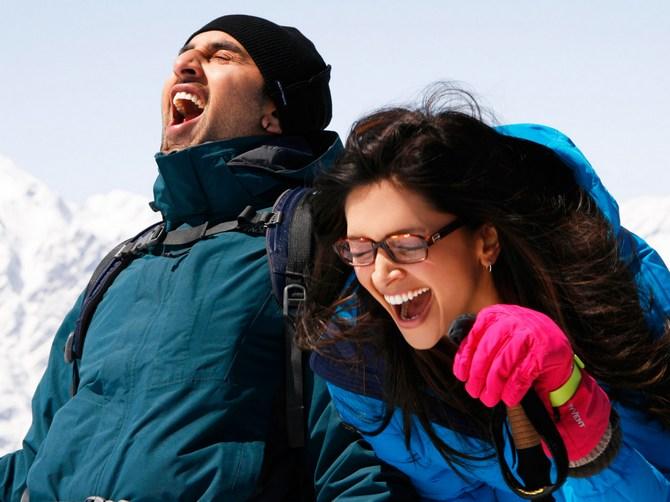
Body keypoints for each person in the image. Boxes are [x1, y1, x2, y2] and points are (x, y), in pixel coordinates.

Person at [0, 14, 418, 501]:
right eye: (184, 55)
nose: (185, 64)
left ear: (275, 112)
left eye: (221, 56)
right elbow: (36, 461)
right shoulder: (125, 266)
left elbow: (358, 471)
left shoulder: (319, 247)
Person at [299, 89, 670, 500]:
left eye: (407, 243)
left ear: (486, 241)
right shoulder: (364, 369)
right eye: (361, 249)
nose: (382, 273)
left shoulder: (617, 290)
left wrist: (582, 429)